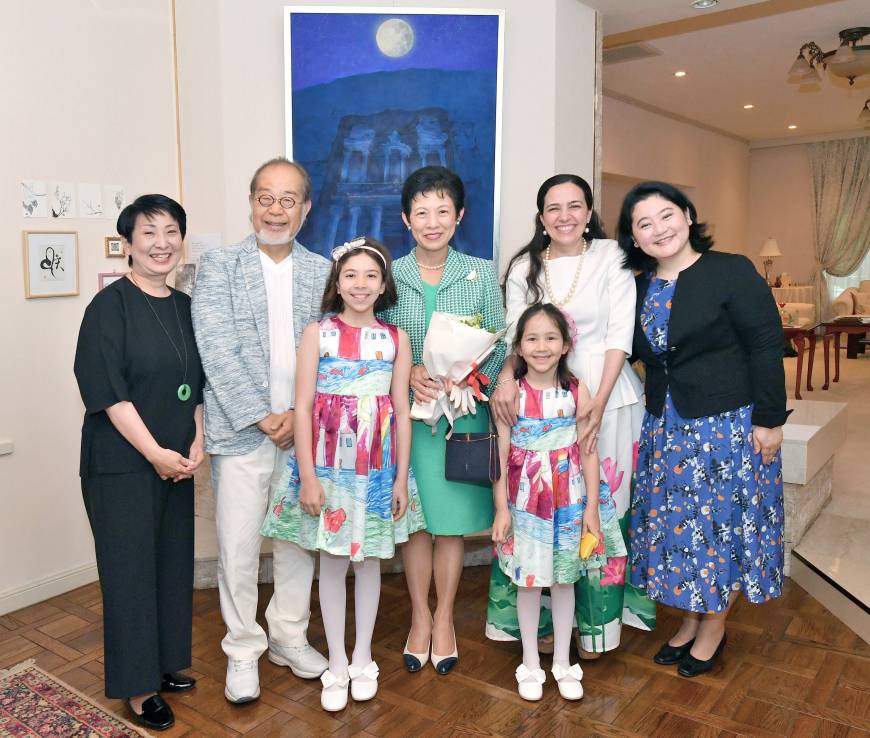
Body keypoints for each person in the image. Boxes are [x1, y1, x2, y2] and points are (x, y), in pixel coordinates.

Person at [617, 181, 787, 677]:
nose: (658, 229)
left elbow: (764, 344)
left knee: (719, 530)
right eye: (644, 224)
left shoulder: (730, 271)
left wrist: (770, 420)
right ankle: (691, 618)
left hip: (726, 427)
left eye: (666, 216)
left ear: (688, 216)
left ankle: (713, 626)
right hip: (665, 427)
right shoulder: (640, 285)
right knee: (681, 532)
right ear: (635, 238)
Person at [488, 174, 654, 658]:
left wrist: (597, 402)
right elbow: (515, 334)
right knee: (535, 506)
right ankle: (537, 625)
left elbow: (621, 334)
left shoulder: (612, 256)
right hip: (538, 400)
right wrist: (504, 380)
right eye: (554, 208)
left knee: (600, 506)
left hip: (610, 395)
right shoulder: (524, 265)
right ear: (541, 218)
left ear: (588, 212)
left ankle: (596, 626)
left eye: (575, 206)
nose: (565, 215)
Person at [261, 238, 426, 711]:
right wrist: (308, 477)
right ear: (337, 282)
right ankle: (335, 660)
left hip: (376, 469)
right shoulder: (318, 333)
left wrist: (398, 480)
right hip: (329, 469)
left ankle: (362, 656)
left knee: (368, 562)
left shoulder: (396, 339)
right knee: (332, 563)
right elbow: (306, 406)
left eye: (370, 276)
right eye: (351, 275)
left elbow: (400, 407)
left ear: (383, 285)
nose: (360, 284)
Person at [191, 158, 329, 703]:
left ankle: (288, 636)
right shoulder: (219, 267)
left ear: (306, 208)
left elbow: (333, 353)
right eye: (265, 198)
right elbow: (215, 349)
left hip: (304, 435)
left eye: (288, 199)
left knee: (297, 541)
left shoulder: (323, 272)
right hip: (240, 432)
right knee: (240, 546)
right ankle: (243, 647)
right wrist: (260, 413)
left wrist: (299, 416)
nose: (276, 210)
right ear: (251, 203)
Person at [74, 194, 203, 731]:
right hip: (123, 464)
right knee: (130, 573)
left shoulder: (184, 305)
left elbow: (197, 386)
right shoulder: (109, 306)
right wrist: (154, 453)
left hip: (177, 460)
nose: (161, 244)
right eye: (149, 233)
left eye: (171, 232)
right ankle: (137, 686)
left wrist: (197, 443)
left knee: (172, 565)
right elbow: (106, 391)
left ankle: (165, 663)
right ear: (127, 242)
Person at [379, 166, 506, 675]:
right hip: (406, 422)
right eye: (422, 213)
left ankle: (446, 618)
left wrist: (469, 381)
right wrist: (405, 371)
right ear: (407, 219)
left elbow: (500, 342)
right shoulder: (389, 274)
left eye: (443, 212)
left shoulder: (479, 271)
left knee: (450, 527)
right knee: (415, 526)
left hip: (460, 419)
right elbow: (377, 338)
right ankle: (419, 619)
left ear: (459, 216)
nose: (433, 222)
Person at [492, 304, 627, 702]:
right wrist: (501, 508)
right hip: (525, 504)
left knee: (566, 579)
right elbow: (499, 454)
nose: (541, 346)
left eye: (550, 338)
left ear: (566, 344)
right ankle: (531, 661)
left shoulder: (576, 390)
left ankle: (564, 661)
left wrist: (591, 512)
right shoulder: (510, 395)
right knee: (529, 583)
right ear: (519, 346)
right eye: (532, 338)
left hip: (570, 502)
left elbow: (588, 452)